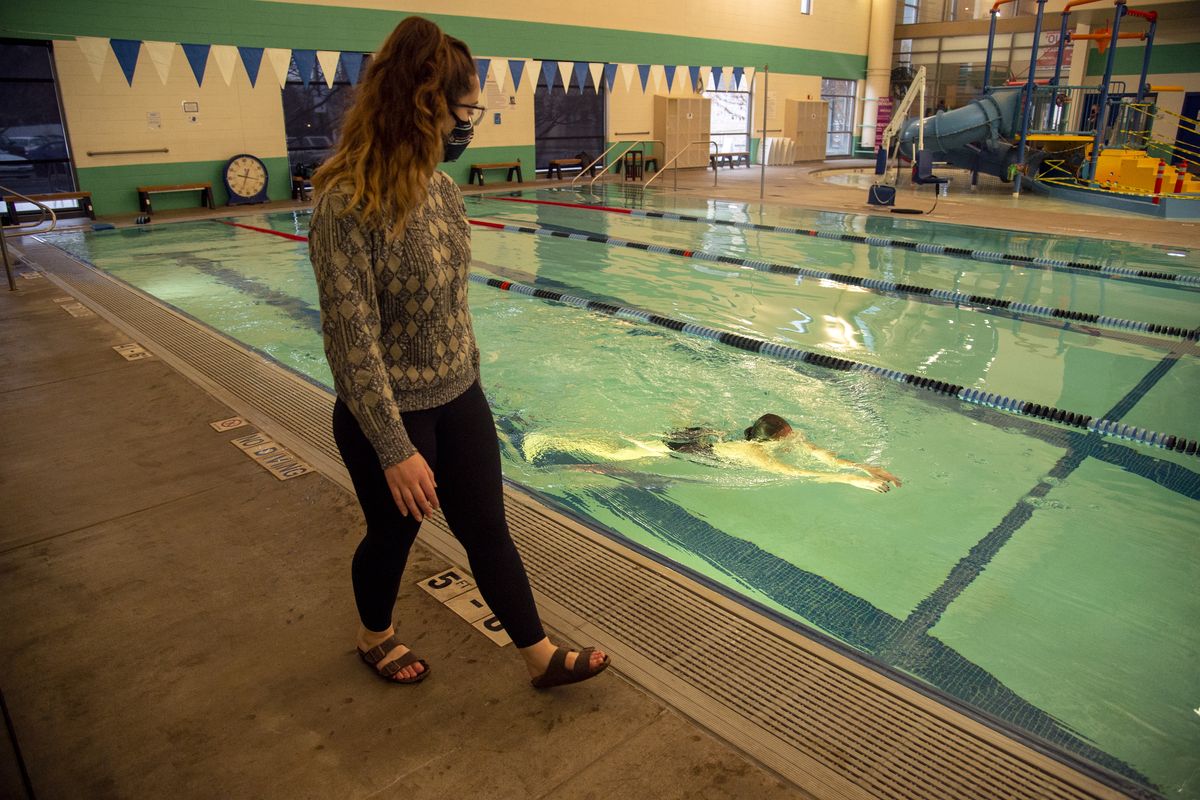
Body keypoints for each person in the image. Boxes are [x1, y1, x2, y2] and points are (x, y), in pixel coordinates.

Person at [308, 16, 608, 688]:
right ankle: (373, 635)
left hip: (458, 399)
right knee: (393, 537)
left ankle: (538, 656)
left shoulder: (444, 193)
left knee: (488, 530)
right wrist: (394, 447)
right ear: (423, 106)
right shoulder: (344, 205)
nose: (469, 123)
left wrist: (471, 390)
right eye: (464, 108)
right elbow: (351, 341)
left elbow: (453, 309)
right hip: (390, 415)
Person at [522, 413, 903, 493]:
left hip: (708, 439)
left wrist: (864, 467)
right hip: (688, 447)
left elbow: (821, 456)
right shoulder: (756, 455)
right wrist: (851, 482)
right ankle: (553, 438)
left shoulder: (779, 437)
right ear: (772, 440)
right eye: (788, 437)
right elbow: (800, 474)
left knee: (633, 449)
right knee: (625, 454)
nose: (795, 440)